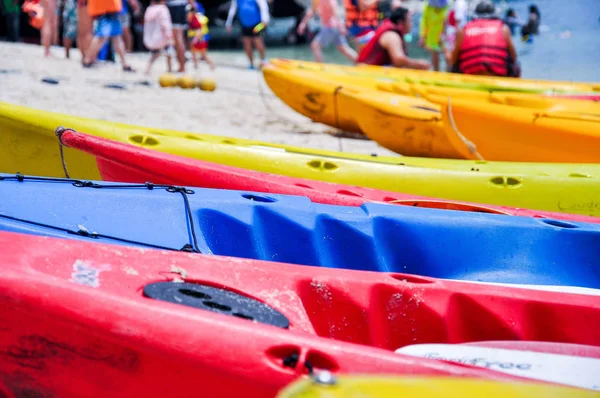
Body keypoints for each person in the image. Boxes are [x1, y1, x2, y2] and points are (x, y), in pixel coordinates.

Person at [450, 0, 520, 77]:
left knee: (454, 66)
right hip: (497, 76)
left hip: (470, 77)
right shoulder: (503, 28)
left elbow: (453, 60)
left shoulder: (463, 30)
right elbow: (514, 57)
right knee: (516, 64)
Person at [357, 6, 430, 70]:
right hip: (366, 73)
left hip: (369, 71)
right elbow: (398, 60)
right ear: (400, 23)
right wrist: (419, 64)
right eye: (409, 21)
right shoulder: (392, 35)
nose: (411, 24)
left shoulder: (391, 31)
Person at [81, 0, 138, 70]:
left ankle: (125, 63)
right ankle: (87, 60)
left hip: (110, 9)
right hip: (106, 9)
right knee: (101, 37)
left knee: (116, 37)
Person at [225, 0, 270, 69]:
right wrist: (228, 23)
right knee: (247, 44)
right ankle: (251, 64)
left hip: (257, 24)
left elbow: (263, 7)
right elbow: (232, 9)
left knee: (258, 42)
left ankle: (263, 60)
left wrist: (265, 20)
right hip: (244, 24)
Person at [143, 0, 174, 74]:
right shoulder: (163, 9)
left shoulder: (149, 9)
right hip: (163, 37)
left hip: (153, 38)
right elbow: (165, 24)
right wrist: (169, 36)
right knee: (169, 53)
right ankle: (170, 70)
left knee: (155, 53)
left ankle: (147, 69)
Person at [166, 0, 197, 72]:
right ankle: (181, 66)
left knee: (177, 39)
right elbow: (192, 2)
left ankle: (181, 67)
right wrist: (193, 12)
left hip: (174, 7)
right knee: (179, 38)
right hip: (182, 7)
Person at [418, 0, 449, 71]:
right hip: (432, 32)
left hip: (443, 32)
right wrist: (423, 36)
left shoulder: (448, 4)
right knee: (435, 53)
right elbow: (424, 20)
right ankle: (436, 72)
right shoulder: (427, 4)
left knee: (447, 53)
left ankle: (449, 72)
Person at [187, 3, 215, 69]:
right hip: (197, 38)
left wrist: (195, 39)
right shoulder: (194, 18)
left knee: (203, 55)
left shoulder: (195, 20)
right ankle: (196, 66)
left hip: (199, 38)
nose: (187, 14)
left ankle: (212, 65)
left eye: (188, 12)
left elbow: (199, 30)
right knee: (193, 53)